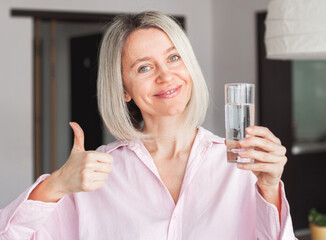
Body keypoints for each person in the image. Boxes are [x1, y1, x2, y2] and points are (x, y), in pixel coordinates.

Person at [0, 11, 296, 239]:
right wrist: (55, 185)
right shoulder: (95, 177)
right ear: (124, 89)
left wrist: (269, 187)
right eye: (144, 67)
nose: (166, 76)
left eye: (174, 58)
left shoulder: (243, 165)